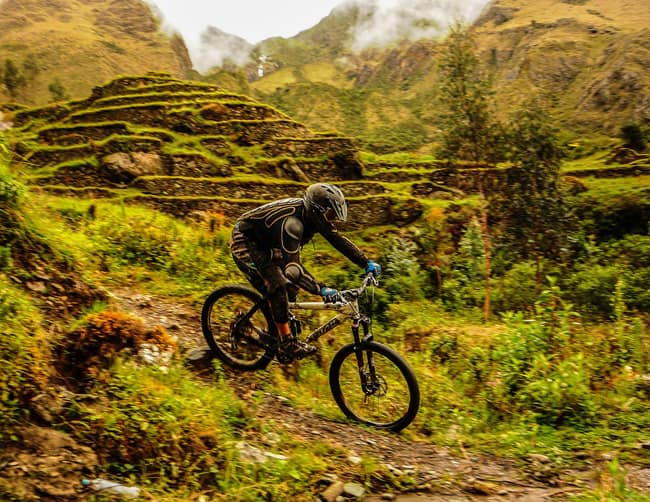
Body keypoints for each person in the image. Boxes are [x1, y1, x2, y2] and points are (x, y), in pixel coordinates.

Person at [230, 183, 381, 361]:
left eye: (333, 215)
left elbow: (337, 240)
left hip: (268, 242)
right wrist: (321, 289)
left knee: (291, 290)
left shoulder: (314, 217)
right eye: (330, 214)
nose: (331, 220)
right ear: (316, 210)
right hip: (246, 240)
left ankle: (275, 326)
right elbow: (293, 270)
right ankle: (286, 342)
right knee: (278, 285)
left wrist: (365, 262)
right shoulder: (293, 225)